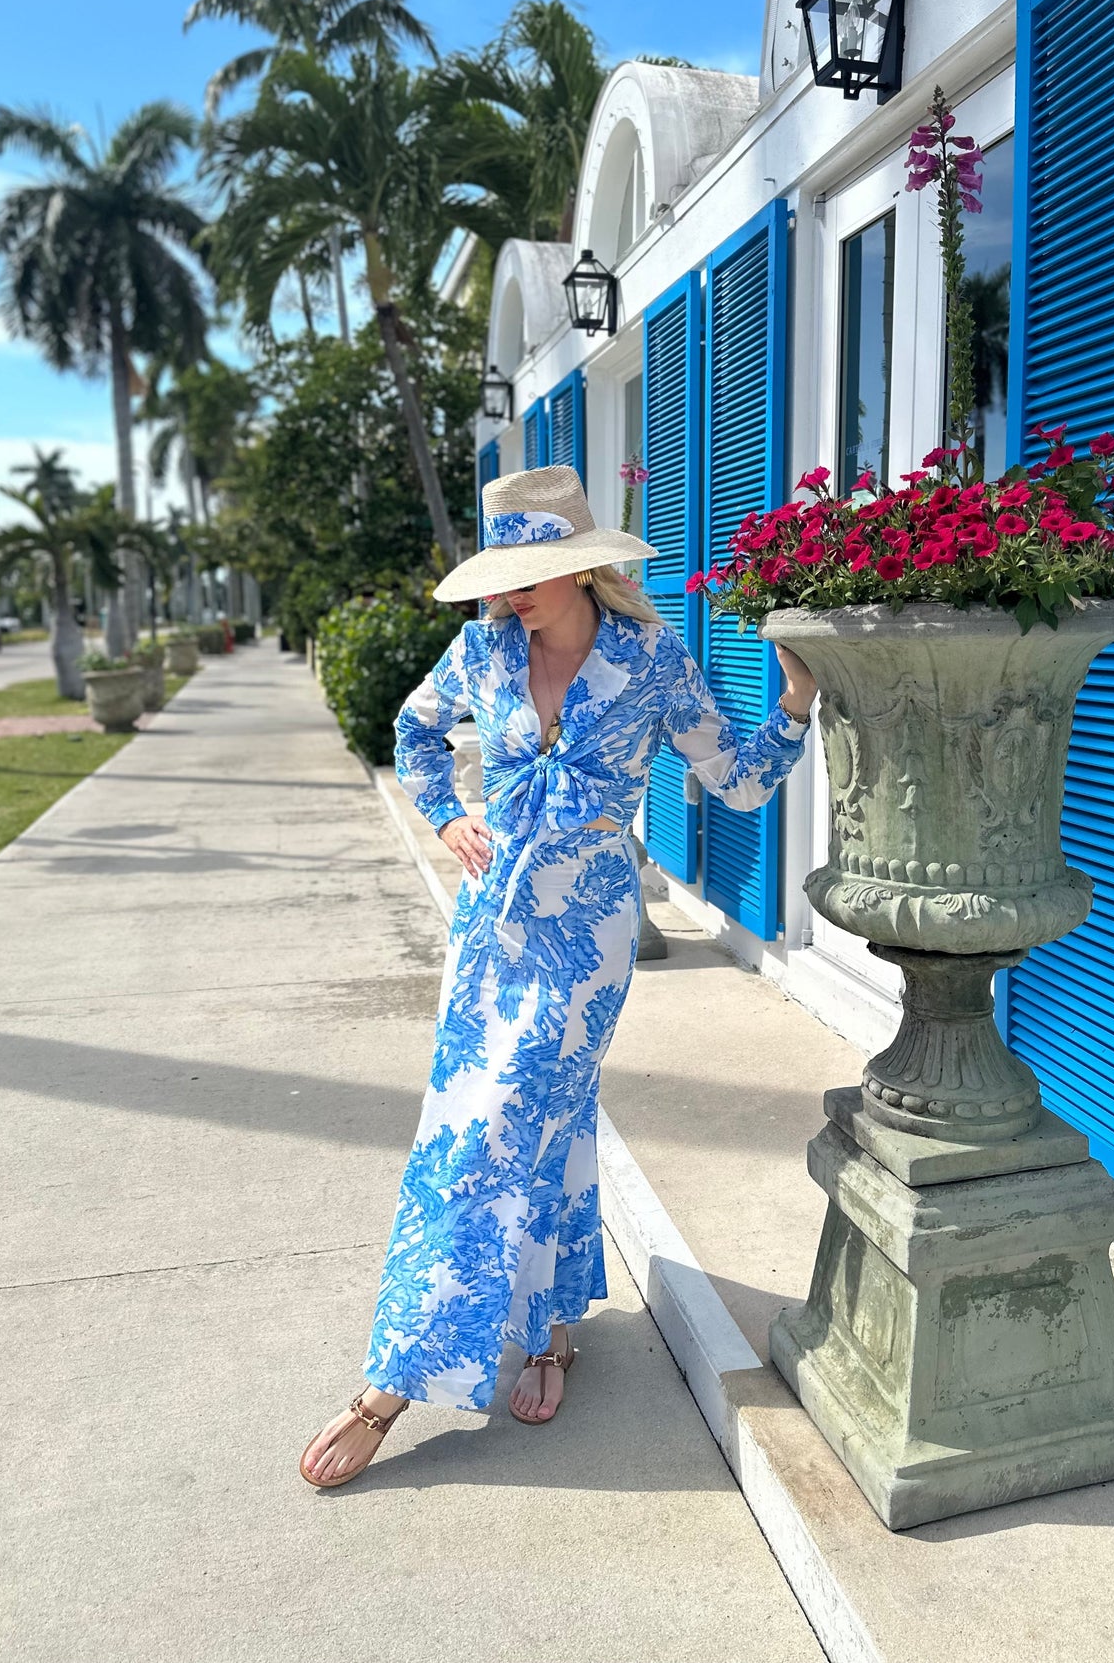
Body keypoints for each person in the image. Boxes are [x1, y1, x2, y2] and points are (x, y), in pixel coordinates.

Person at [301, 463, 816, 1487]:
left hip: (586, 940)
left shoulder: (654, 658)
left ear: (583, 570)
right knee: (534, 1122)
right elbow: (411, 731)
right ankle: (546, 1328)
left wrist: (797, 702)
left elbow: (737, 780)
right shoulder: (480, 650)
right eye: (502, 576)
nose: (509, 594)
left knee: (487, 1129)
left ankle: (394, 1381)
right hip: (488, 931)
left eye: (529, 574)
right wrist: (447, 813)